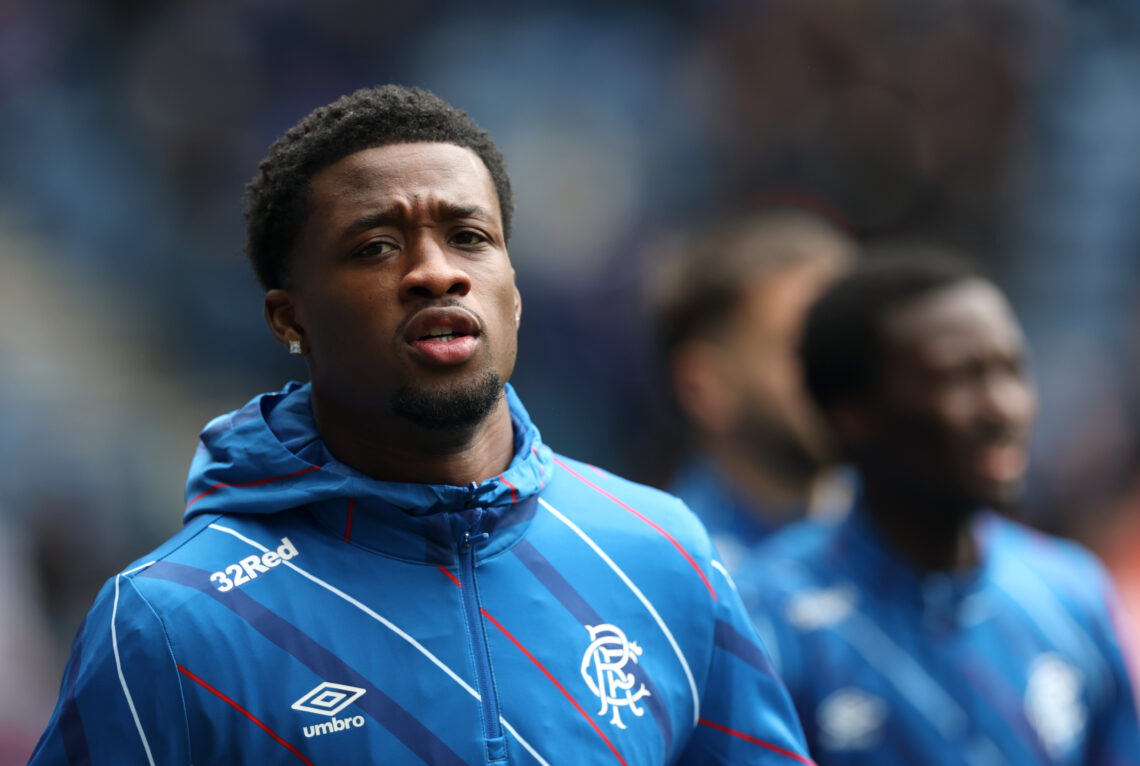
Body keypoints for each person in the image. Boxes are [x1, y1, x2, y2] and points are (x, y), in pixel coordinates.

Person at [29, 85, 813, 765]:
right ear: (287, 317)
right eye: (376, 246)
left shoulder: (661, 553)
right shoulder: (173, 625)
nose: (437, 270)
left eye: (470, 238)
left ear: (513, 288)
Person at [740, 250, 1140, 764]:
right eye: (959, 379)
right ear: (853, 413)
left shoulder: (1071, 596)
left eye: (1012, 370)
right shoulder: (768, 620)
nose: (1004, 407)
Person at [654, 210, 856, 576]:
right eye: (803, 348)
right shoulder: (679, 580)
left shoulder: (936, 524)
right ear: (704, 386)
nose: (844, 369)